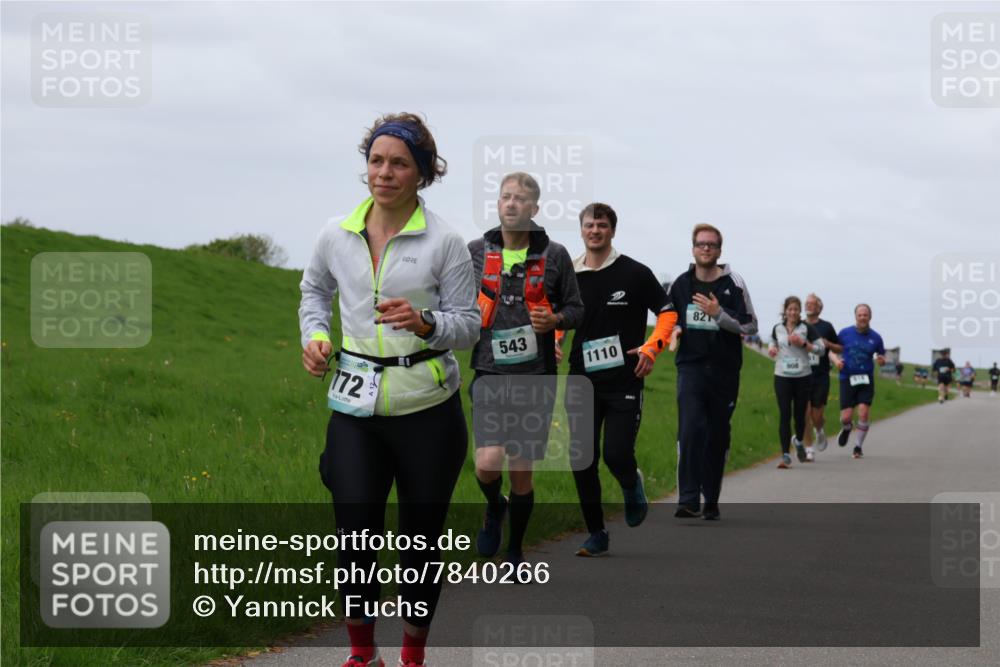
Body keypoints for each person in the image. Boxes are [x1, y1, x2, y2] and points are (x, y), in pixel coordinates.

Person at [299, 113, 480, 667]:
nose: (384, 172)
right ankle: (361, 655)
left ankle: (411, 655)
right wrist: (317, 335)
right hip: (355, 408)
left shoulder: (446, 241)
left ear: (422, 173)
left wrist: (426, 322)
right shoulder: (336, 233)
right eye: (376, 160)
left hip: (427, 409)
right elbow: (313, 292)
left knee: (419, 544)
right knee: (355, 534)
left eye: (399, 163)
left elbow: (469, 326)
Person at [468, 172, 583, 566]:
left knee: (521, 472)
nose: (511, 204)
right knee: (486, 463)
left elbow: (576, 309)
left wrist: (555, 320)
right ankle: (493, 506)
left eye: (520, 199)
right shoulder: (476, 251)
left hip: (535, 377)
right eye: (505, 197)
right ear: (498, 204)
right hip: (488, 373)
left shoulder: (556, 255)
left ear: (534, 208)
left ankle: (515, 549)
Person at [559, 202, 677, 556]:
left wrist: (652, 347)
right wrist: (553, 343)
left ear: (613, 230)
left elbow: (667, 312)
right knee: (582, 459)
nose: (595, 230)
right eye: (589, 225)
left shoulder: (635, 273)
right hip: (581, 378)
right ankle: (596, 533)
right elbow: (557, 317)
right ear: (581, 230)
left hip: (625, 378)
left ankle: (630, 484)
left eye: (602, 225)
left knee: (616, 453)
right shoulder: (569, 275)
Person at [670, 224, 758, 520]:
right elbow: (670, 318)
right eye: (701, 244)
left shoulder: (734, 283)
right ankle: (688, 498)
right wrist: (676, 330)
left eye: (711, 245)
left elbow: (750, 326)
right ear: (693, 248)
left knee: (716, 435)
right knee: (691, 427)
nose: (706, 249)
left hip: (724, 369)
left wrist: (718, 314)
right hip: (691, 366)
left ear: (720, 251)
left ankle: (712, 498)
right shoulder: (681, 285)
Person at [768, 296, 826, 468]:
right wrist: (772, 348)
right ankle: (785, 454)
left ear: (799, 311)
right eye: (789, 309)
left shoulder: (806, 328)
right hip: (782, 376)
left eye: (795, 309)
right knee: (784, 414)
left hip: (802, 377)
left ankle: (799, 441)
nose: (792, 312)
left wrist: (804, 344)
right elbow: (772, 341)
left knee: (800, 416)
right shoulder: (777, 328)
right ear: (785, 311)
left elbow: (821, 349)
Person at [830, 304, 886, 459]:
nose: (862, 318)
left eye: (865, 315)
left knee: (863, 411)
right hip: (847, 378)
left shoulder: (876, 337)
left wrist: (881, 360)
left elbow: (882, 357)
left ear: (870, 317)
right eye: (860, 315)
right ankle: (847, 428)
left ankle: (858, 447)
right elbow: (832, 350)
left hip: (866, 379)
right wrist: (836, 361)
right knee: (846, 416)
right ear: (855, 316)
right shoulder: (845, 333)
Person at [802, 293, 842, 461]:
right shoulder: (799, 325)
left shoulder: (827, 326)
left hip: (820, 376)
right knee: (804, 413)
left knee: (816, 415)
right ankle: (808, 448)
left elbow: (840, 348)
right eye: (807, 303)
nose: (809, 306)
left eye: (812, 304)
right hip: (801, 375)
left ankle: (819, 429)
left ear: (819, 308)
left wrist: (829, 344)